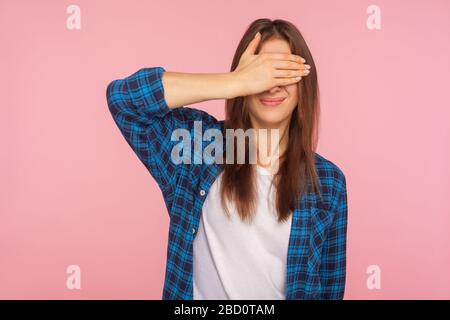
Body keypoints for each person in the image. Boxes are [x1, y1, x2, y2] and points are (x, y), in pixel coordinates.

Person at [106, 18, 348, 300]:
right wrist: (235, 82)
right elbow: (124, 100)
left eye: (282, 73)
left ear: (304, 84)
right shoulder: (197, 150)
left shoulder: (329, 182)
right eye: (262, 72)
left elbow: (330, 289)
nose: (271, 85)